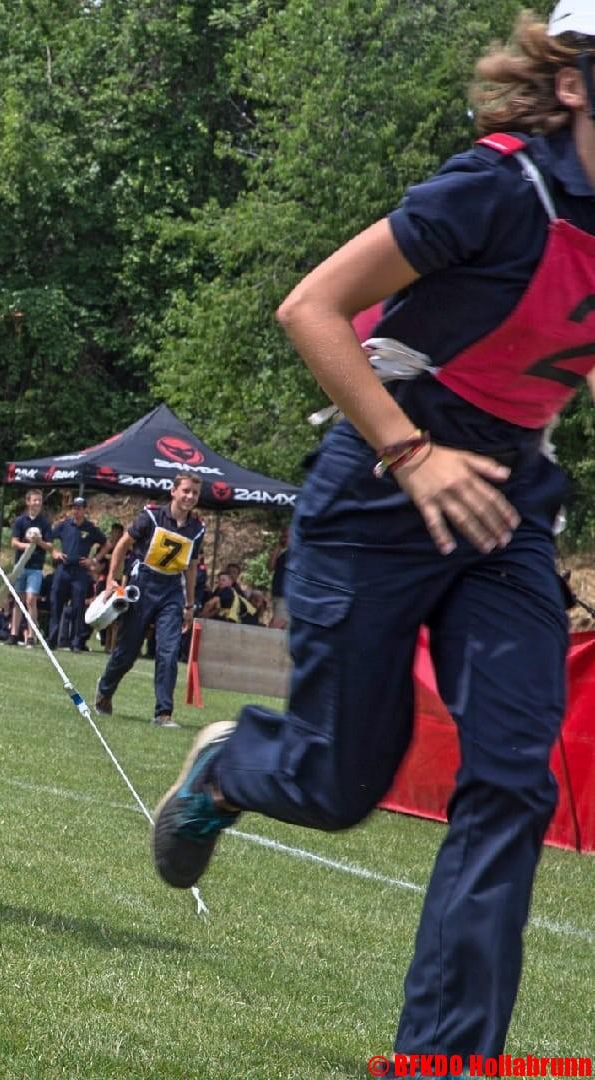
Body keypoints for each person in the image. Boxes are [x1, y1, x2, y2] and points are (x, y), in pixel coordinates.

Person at [150, 4, 595, 1057]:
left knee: (513, 779)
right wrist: (412, 450)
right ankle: (230, 769)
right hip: (383, 481)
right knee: (340, 781)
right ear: (576, 82)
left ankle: (441, 1059)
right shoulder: (492, 188)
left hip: (504, 507)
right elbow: (311, 307)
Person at [93, 474, 204, 727]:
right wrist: (112, 578)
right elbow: (122, 545)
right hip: (143, 584)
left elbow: (191, 567)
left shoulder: (197, 530)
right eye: (186, 491)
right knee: (128, 651)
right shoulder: (151, 516)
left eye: (195, 493)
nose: (190, 497)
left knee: (168, 651)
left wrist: (189, 604)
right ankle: (105, 690)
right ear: (173, 491)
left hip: (171, 590)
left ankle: (163, 713)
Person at [46, 495, 107, 651]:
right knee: (56, 605)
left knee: (78, 607)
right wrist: (54, 551)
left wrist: (94, 560)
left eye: (79, 508)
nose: (76, 511)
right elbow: (48, 539)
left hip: (80, 571)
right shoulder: (64, 525)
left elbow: (106, 544)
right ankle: (52, 639)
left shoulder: (90, 528)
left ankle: (76, 642)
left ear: (85, 510)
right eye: (74, 508)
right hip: (64, 568)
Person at [8, 489, 55, 646]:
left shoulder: (45, 523)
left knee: (31, 599)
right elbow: (14, 542)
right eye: (34, 500)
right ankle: (13, 634)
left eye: (39, 501)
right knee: (18, 600)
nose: (37, 503)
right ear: (28, 502)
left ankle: (31, 636)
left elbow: (49, 546)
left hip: (35, 567)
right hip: (21, 565)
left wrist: (38, 542)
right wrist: (28, 545)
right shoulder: (21, 521)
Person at [268, 531, 290, 628]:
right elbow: (270, 566)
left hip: (286, 596)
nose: (283, 539)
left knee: (277, 624)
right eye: (282, 536)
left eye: (286, 537)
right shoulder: (282, 554)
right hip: (277, 593)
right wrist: (278, 547)